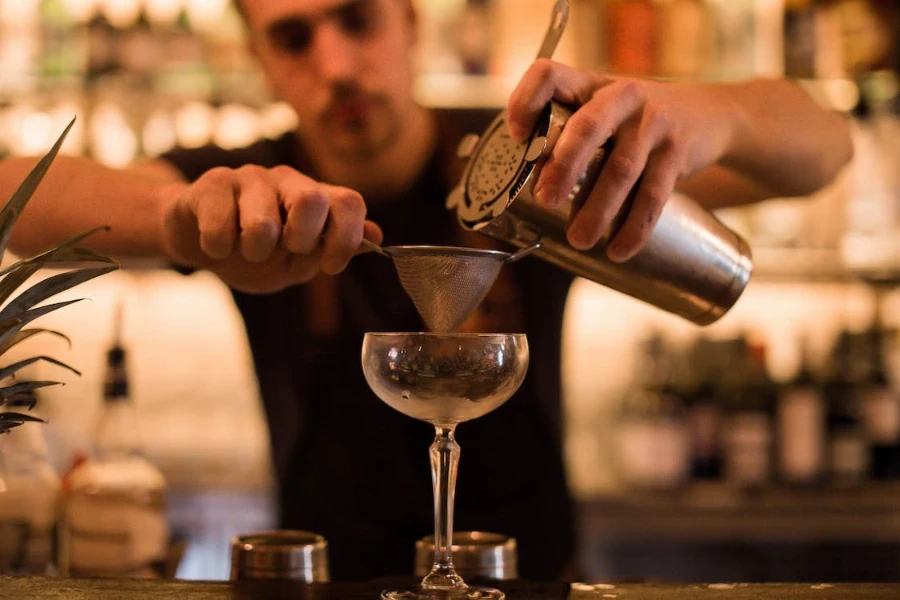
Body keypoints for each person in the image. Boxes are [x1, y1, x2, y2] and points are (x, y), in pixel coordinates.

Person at [1, 0, 852, 582]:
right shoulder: (253, 191)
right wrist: (175, 216)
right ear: (259, 58)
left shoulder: (534, 167)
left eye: (360, 19)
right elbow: (15, 196)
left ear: (409, 23)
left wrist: (714, 116)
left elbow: (828, 146)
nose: (336, 63)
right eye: (294, 38)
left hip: (529, 577)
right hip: (320, 577)